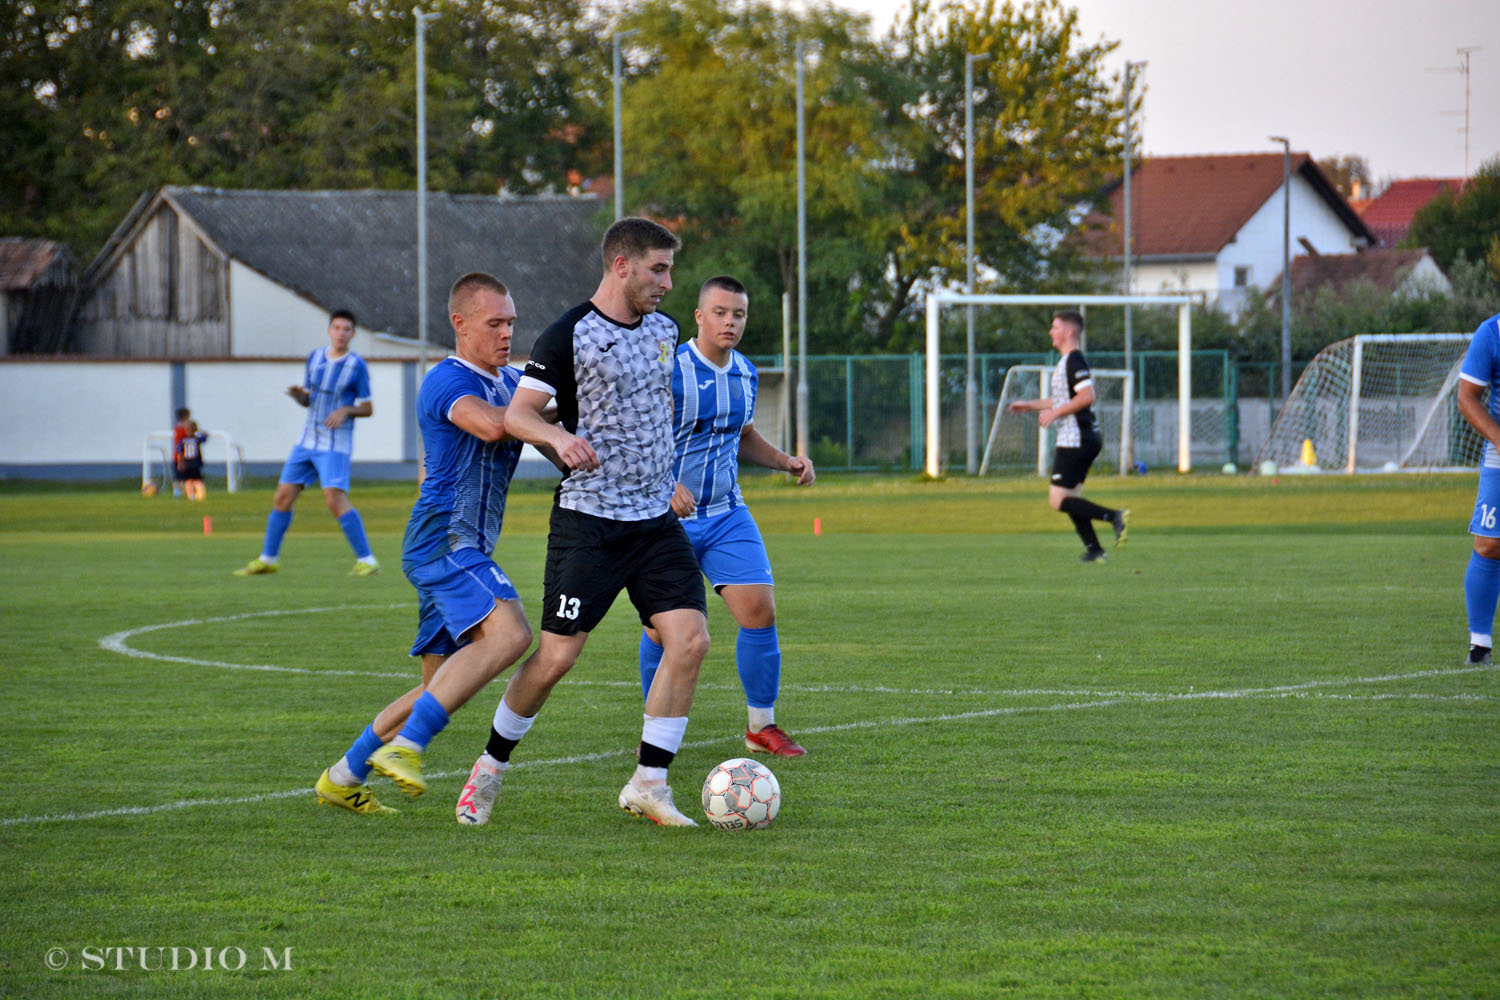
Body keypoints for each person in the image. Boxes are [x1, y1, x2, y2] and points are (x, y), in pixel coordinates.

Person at [456, 216, 710, 829]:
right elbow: (518, 415)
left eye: (669, 269)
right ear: (621, 265)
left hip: (652, 522)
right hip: (589, 524)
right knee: (556, 658)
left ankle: (650, 783)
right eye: (658, 268)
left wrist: (663, 477)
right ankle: (487, 771)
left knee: (691, 639)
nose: (668, 283)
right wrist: (556, 436)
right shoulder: (569, 334)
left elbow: (651, 413)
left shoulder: (664, 331)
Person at [315, 273, 541, 814]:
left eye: (511, 322)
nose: (507, 333)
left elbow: (531, 421)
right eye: (494, 323)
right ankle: (407, 748)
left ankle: (342, 776)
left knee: (439, 689)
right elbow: (491, 427)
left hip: (464, 547)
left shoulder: (509, 384)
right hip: (444, 542)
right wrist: (550, 421)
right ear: (460, 325)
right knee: (511, 636)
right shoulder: (447, 381)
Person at [638, 275, 815, 757]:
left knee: (759, 609)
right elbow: (636, 435)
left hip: (727, 513)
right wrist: (663, 484)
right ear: (699, 317)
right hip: (663, 518)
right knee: (661, 629)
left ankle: (761, 727)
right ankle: (653, 727)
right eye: (719, 312)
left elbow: (743, 435)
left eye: (738, 314)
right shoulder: (669, 369)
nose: (729, 322)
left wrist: (786, 461)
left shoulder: (745, 373)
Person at [233, 308, 378, 577]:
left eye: (346, 329)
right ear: (329, 330)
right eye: (337, 328)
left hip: (335, 444)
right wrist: (299, 396)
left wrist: (346, 410)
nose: (341, 333)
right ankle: (268, 558)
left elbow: (368, 408)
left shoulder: (356, 366)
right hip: (306, 441)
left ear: (353, 334)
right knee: (282, 498)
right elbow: (309, 400)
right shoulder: (314, 358)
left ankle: (367, 560)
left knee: (334, 500)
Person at [1008, 310, 1129, 562]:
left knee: (1058, 501)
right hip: (1081, 438)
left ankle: (1114, 516)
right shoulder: (1066, 362)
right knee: (1071, 499)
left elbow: (1086, 397)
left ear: (1069, 332)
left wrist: (1055, 413)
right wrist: (1030, 405)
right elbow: (1065, 399)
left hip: (1076, 439)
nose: (1051, 332)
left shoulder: (1074, 360)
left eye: (1055, 327)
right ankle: (1095, 550)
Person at [1455, 309, 1500, 666]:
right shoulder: (1492, 332)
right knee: (1488, 543)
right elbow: (1467, 396)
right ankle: (1480, 644)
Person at [175, 420, 209, 501]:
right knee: (198, 480)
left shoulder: (182, 440)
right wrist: (199, 430)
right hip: (196, 463)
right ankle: (200, 495)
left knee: (188, 481)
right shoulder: (197, 439)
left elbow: (179, 452)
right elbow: (206, 435)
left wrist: (180, 463)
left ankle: (191, 496)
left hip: (186, 463)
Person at [171, 407, 193, 498]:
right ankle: (191, 494)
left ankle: (176, 493)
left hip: (176, 456)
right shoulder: (185, 429)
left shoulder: (176, 428)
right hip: (184, 457)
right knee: (189, 477)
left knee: (177, 477)